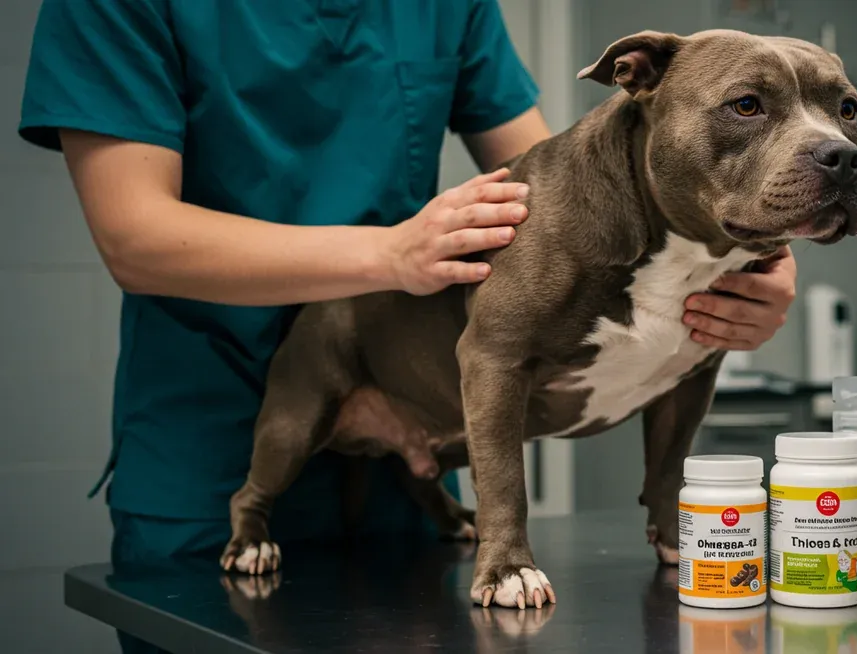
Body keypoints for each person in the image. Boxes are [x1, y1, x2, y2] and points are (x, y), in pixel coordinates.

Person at [18, 1, 797, 651]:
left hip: (421, 434)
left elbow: (559, 185)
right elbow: (134, 237)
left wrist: (730, 253)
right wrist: (392, 254)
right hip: (208, 436)